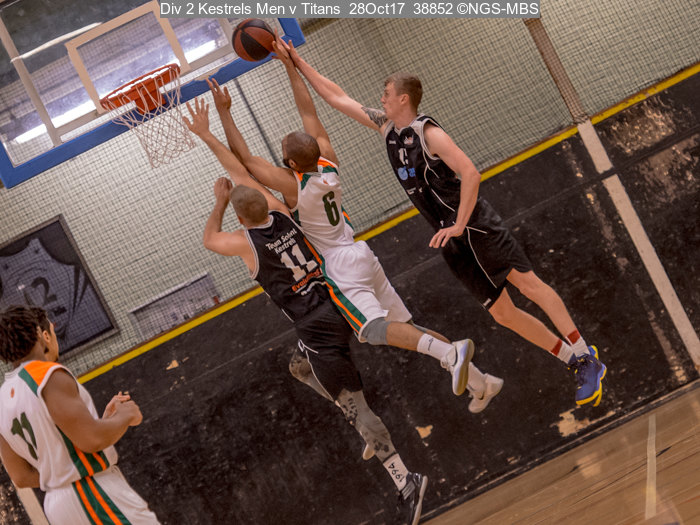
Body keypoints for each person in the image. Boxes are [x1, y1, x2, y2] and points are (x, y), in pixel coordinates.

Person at [282, 40, 606, 407]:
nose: (381, 99)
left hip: (475, 226)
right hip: (450, 238)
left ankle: (585, 355)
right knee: (503, 314)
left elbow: (471, 172)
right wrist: (297, 62)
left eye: (386, 94)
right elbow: (338, 98)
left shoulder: (429, 133)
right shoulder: (388, 129)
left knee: (529, 285)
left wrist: (459, 223)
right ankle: (572, 362)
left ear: (403, 98)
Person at [201, 37, 504, 412]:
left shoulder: (294, 188)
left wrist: (224, 113)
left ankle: (451, 352)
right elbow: (308, 111)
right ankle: (480, 382)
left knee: (372, 331)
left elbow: (245, 161)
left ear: (291, 165)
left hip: (338, 266)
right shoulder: (327, 159)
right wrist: (289, 67)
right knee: (407, 329)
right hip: (361, 253)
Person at [183, 100, 427, 525]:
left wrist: (218, 200)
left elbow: (209, 237)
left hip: (317, 328)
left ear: (240, 218)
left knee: (358, 408)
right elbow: (243, 173)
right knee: (298, 367)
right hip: (338, 301)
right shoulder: (284, 213)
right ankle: (366, 410)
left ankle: (406, 480)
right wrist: (214, 129)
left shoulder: (246, 244)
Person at [0, 305, 159, 524]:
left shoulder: (2, 398)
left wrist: (105, 423)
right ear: (40, 333)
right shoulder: (48, 374)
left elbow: (21, 476)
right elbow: (92, 439)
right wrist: (125, 415)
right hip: (92, 495)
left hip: (58, 507)